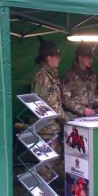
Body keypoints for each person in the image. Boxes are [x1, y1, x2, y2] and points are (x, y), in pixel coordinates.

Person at [32, 37, 69, 186]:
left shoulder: (49, 75)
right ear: (49, 58)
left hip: (51, 127)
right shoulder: (44, 76)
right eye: (57, 57)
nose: (59, 59)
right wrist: (68, 120)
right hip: (46, 129)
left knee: (52, 160)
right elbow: (53, 105)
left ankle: (44, 193)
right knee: (46, 164)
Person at [61, 42, 98, 118]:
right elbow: (66, 100)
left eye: (92, 58)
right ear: (80, 57)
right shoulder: (69, 76)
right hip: (75, 119)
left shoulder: (92, 76)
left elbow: (94, 96)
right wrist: (83, 110)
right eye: (88, 58)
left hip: (90, 117)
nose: (91, 60)